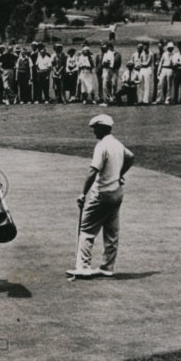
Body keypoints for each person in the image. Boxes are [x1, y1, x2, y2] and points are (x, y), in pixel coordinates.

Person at [66, 114, 134, 279]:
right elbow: (130, 157)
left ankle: (83, 267)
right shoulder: (117, 144)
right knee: (111, 231)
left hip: (102, 194)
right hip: (117, 192)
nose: (93, 131)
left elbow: (93, 171)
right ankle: (107, 267)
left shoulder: (102, 146)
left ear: (102, 128)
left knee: (87, 230)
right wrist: (119, 174)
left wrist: (83, 193)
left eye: (95, 128)